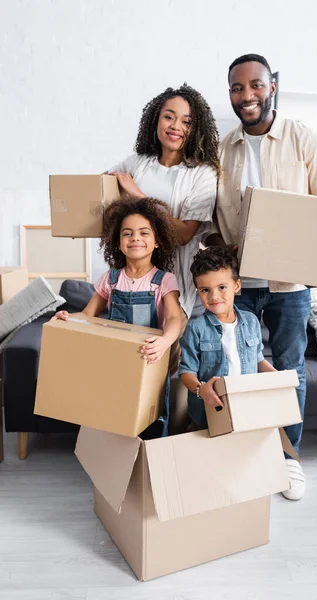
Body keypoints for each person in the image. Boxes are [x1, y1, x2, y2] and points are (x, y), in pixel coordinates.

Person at [206, 53, 317, 500]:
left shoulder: (303, 139)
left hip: (289, 287)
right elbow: (211, 219)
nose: (246, 95)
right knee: (238, 369)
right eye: (236, 88)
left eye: (255, 85)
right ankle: (245, 453)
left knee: (290, 372)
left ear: (272, 87)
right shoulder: (222, 150)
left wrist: (316, 263)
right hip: (240, 286)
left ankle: (290, 459)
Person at [54, 196, 182, 437]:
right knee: (115, 419)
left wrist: (165, 341)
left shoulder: (164, 280)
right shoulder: (110, 279)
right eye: (127, 233)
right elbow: (88, 315)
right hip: (115, 362)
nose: (135, 238)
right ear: (118, 242)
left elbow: (175, 318)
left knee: (152, 420)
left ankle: (151, 468)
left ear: (157, 242)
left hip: (149, 360)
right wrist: (68, 318)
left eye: (144, 233)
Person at [108, 83, 220, 326]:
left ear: (196, 129)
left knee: (164, 357)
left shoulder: (203, 175)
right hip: (129, 282)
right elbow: (98, 196)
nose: (176, 126)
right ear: (155, 120)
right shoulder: (136, 164)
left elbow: (183, 234)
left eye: (186, 122)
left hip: (173, 285)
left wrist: (138, 196)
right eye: (168, 117)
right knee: (123, 354)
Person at [179, 246, 275, 430]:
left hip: (245, 403)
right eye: (205, 290)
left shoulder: (251, 321)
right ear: (197, 290)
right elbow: (186, 371)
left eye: (222, 287)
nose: (214, 296)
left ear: (236, 286)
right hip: (210, 409)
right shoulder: (196, 328)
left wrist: (277, 377)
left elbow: (258, 359)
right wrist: (201, 389)